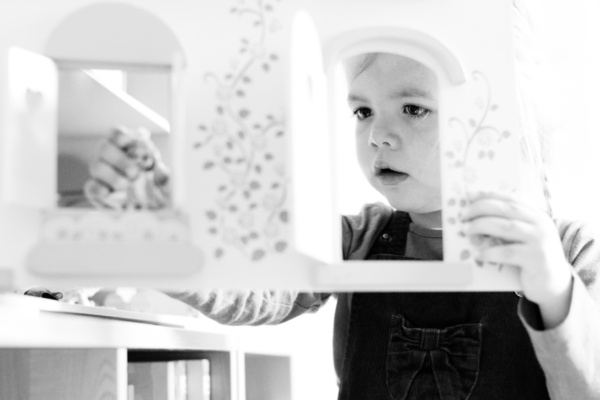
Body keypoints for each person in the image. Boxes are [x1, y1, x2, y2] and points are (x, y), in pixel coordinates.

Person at [85, 4, 600, 400]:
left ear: (501, 117)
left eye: (414, 108)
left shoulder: (572, 250)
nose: (378, 134)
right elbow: (255, 283)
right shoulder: (363, 238)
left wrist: (553, 288)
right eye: (363, 112)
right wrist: (160, 232)